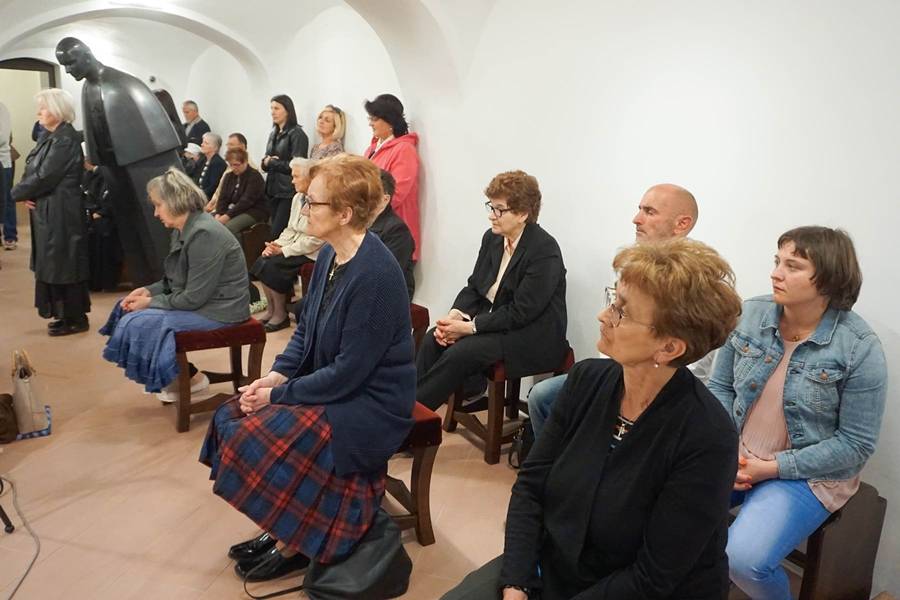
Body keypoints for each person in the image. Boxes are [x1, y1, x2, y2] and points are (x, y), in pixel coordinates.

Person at [444, 239, 743, 600]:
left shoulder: (707, 436)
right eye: (613, 300)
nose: (604, 316)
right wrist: (516, 584)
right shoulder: (586, 380)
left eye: (622, 311)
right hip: (559, 567)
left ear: (669, 347)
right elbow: (531, 486)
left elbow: (652, 577)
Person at [199, 155, 415, 583]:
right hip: (337, 386)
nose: (304, 211)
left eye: (313, 203)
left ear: (344, 214)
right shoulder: (329, 255)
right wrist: (276, 376)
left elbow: (349, 374)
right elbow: (304, 333)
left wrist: (277, 396)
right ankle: (287, 525)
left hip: (369, 404)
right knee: (230, 415)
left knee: (256, 433)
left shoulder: (375, 275)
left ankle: (296, 540)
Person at [707, 226, 887, 599]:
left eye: (793, 266)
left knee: (742, 559)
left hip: (808, 473)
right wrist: (728, 449)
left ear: (830, 278)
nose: (776, 273)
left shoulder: (859, 346)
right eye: (777, 261)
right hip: (738, 452)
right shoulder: (751, 313)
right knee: (663, 512)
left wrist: (771, 468)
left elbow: (855, 444)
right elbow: (720, 387)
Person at [528, 183, 699, 436]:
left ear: (682, 224)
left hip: (655, 381)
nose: (636, 219)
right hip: (616, 369)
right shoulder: (632, 265)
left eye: (649, 212)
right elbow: (614, 326)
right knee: (541, 397)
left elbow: (689, 365)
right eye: (640, 209)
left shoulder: (692, 283)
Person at [416, 170, 567, 410]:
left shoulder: (544, 250)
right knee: (433, 339)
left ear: (523, 214)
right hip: (499, 326)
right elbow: (475, 286)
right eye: (491, 207)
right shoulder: (492, 239)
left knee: (461, 352)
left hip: (531, 335)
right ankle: (416, 411)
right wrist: (455, 317)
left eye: (499, 209)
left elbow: (522, 312)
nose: (491, 216)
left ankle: (410, 418)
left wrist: (469, 328)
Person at [99, 168, 250, 402]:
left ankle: (189, 380)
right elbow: (175, 280)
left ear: (175, 201)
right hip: (206, 302)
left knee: (139, 321)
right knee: (125, 308)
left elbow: (193, 298)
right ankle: (182, 377)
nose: (156, 213)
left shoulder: (204, 234)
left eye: (158, 205)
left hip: (222, 310)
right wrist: (148, 291)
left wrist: (149, 303)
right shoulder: (185, 228)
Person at [56, 37, 183, 286]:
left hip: (145, 166)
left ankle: (171, 285)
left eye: (71, 63)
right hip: (115, 168)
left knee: (157, 233)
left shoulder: (122, 84)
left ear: (87, 55)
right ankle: (147, 285)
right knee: (132, 234)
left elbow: (152, 135)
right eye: (64, 66)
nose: (68, 70)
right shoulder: (89, 88)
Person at [10, 89, 90, 336]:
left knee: (64, 263)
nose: (39, 113)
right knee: (54, 264)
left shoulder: (64, 140)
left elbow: (45, 176)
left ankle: (75, 318)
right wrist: (30, 195)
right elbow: (35, 171)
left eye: (43, 108)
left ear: (57, 110)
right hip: (51, 208)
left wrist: (15, 194)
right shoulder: (51, 136)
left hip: (62, 211)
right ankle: (63, 314)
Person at [250, 157, 323, 332]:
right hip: (294, 246)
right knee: (263, 259)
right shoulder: (298, 197)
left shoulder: (320, 200)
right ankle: (271, 310)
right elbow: (290, 229)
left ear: (310, 178)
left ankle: (280, 314)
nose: (292, 181)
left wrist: (284, 250)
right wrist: (275, 245)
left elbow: (317, 239)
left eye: (296, 176)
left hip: (311, 251)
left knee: (273, 265)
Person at [363, 93, 421, 260]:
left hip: (393, 234)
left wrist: (364, 210)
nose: (370, 123)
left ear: (389, 121)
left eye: (374, 119)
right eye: (370, 118)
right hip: (371, 227)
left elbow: (396, 194)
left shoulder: (404, 150)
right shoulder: (371, 149)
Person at [262, 94, 309, 239]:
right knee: (271, 232)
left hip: (287, 191)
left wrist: (272, 162)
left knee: (278, 233)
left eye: (276, 108)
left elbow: (297, 165)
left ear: (288, 110)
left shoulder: (297, 134)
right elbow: (266, 160)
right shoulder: (274, 133)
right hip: (272, 190)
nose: (272, 112)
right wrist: (267, 162)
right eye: (271, 108)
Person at [372, 169, 415, 300]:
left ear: (384, 199)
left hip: (386, 298)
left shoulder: (397, 231)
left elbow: (384, 276)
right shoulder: (355, 222)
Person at [83, 157, 123, 292]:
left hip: (106, 221)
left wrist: (100, 212)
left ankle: (104, 282)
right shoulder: (94, 175)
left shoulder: (103, 175)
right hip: (99, 219)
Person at [211, 147, 267, 238]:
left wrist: (226, 217)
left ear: (245, 162)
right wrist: (219, 213)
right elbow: (222, 198)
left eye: (236, 165)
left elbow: (246, 201)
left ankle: (237, 247)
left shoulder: (254, 176)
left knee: (229, 227)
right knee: (209, 221)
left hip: (254, 211)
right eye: (231, 165)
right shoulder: (229, 176)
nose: (233, 168)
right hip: (234, 209)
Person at [206, 133, 256, 212]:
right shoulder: (231, 164)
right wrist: (211, 203)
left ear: (242, 146)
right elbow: (220, 190)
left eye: (231, 145)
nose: (228, 148)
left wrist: (216, 208)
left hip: (235, 209)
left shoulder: (249, 168)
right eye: (227, 145)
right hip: (219, 205)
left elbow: (238, 198)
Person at [186, 132, 226, 199]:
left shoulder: (218, 163)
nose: (202, 145)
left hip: (207, 198)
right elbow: (194, 176)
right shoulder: (203, 159)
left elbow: (213, 187)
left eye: (206, 143)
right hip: (198, 195)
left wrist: (196, 196)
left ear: (215, 148)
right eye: (203, 142)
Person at [0, 101, 17, 250]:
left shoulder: (1, 108)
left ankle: (10, 235)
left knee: (6, 200)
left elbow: (2, 137)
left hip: (2, 162)